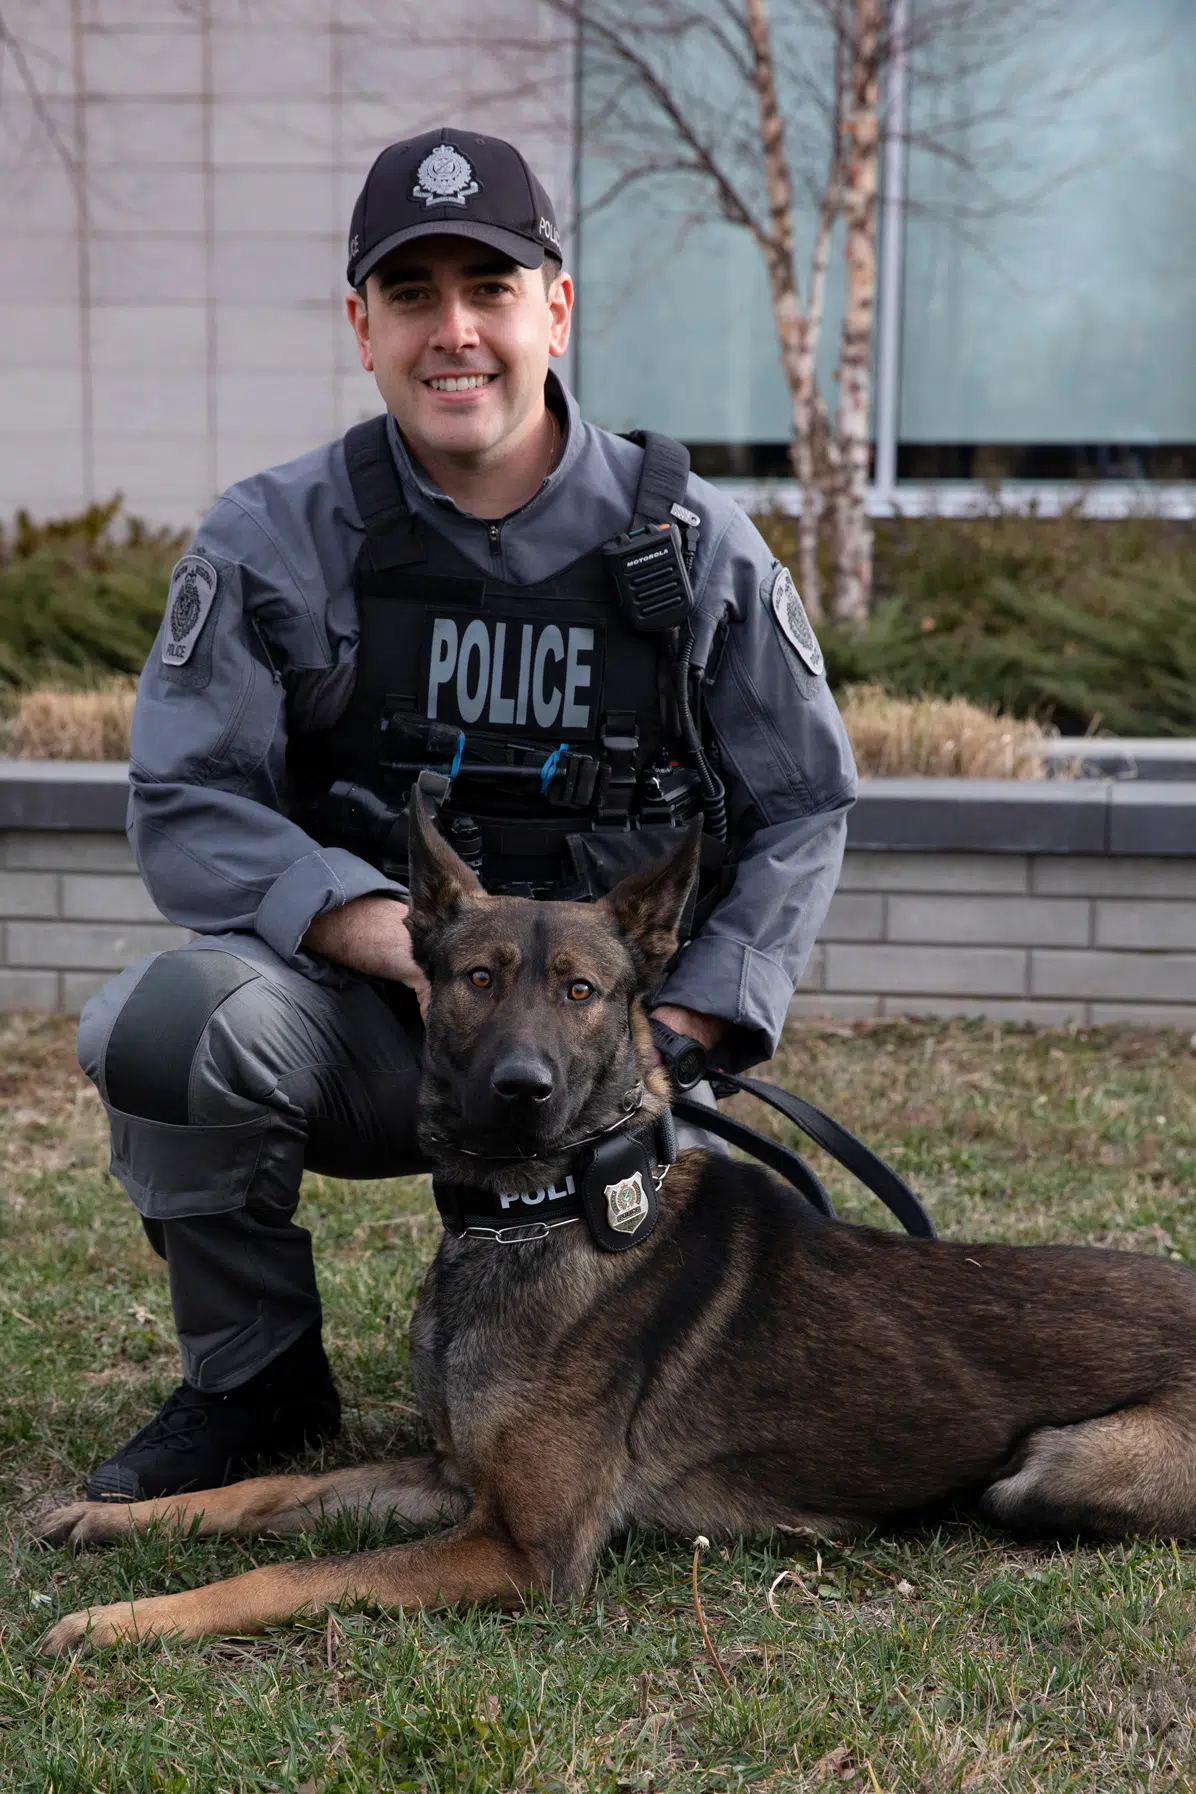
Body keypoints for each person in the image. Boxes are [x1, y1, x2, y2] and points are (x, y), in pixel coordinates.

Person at [76, 126, 857, 1502]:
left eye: (490, 289)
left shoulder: (692, 548)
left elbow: (804, 804)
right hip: (381, 1034)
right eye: (412, 294)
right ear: (362, 326)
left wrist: (686, 1023)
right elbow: (187, 795)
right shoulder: (275, 538)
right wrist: (387, 937)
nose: (455, 332)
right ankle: (253, 1382)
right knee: (164, 1024)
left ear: (555, 308)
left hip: (613, 1059)